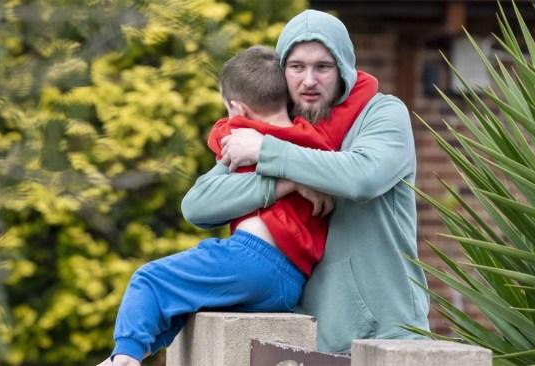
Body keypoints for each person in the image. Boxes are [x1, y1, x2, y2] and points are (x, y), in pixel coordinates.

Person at [98, 45, 378, 366]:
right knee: (191, 300)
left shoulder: (242, 136)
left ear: (237, 108)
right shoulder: (316, 138)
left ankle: (124, 358)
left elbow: (218, 137)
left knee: (149, 280)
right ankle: (140, 352)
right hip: (291, 281)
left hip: (250, 258)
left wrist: (231, 124)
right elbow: (364, 86)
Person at [182, 9, 431, 353]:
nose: (309, 80)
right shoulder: (278, 126)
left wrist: (270, 153)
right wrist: (284, 183)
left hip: (387, 336)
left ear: (343, 67)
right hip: (309, 339)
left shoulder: (383, 113)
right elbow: (199, 204)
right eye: (297, 67)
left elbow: (362, 177)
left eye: (323, 67)